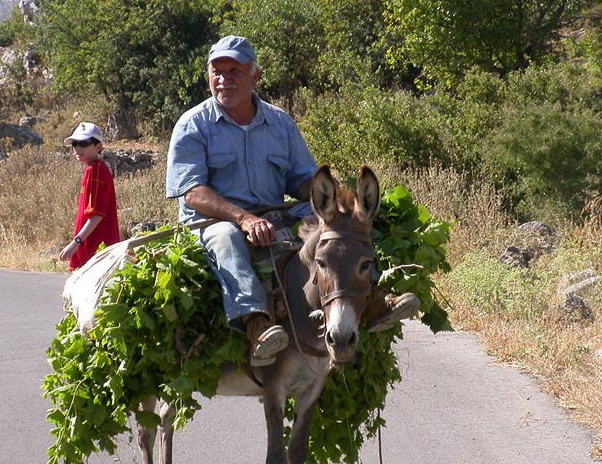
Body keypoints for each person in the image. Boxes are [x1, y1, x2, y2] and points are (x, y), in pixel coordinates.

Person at [166, 35, 419, 367]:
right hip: (213, 223)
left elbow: (301, 179)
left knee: (344, 226)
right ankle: (256, 323)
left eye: (234, 71)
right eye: (217, 72)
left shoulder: (279, 123)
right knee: (226, 237)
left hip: (273, 215)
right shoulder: (193, 124)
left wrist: (335, 201)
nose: (224, 79)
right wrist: (244, 219)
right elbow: (193, 192)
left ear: (255, 76)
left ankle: (370, 299)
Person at [59, 122, 121, 271]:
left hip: (94, 251)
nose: (77, 148)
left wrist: (75, 243)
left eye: (84, 143)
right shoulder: (95, 168)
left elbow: (96, 214)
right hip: (98, 251)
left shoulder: (95, 170)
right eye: (74, 144)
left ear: (98, 147)